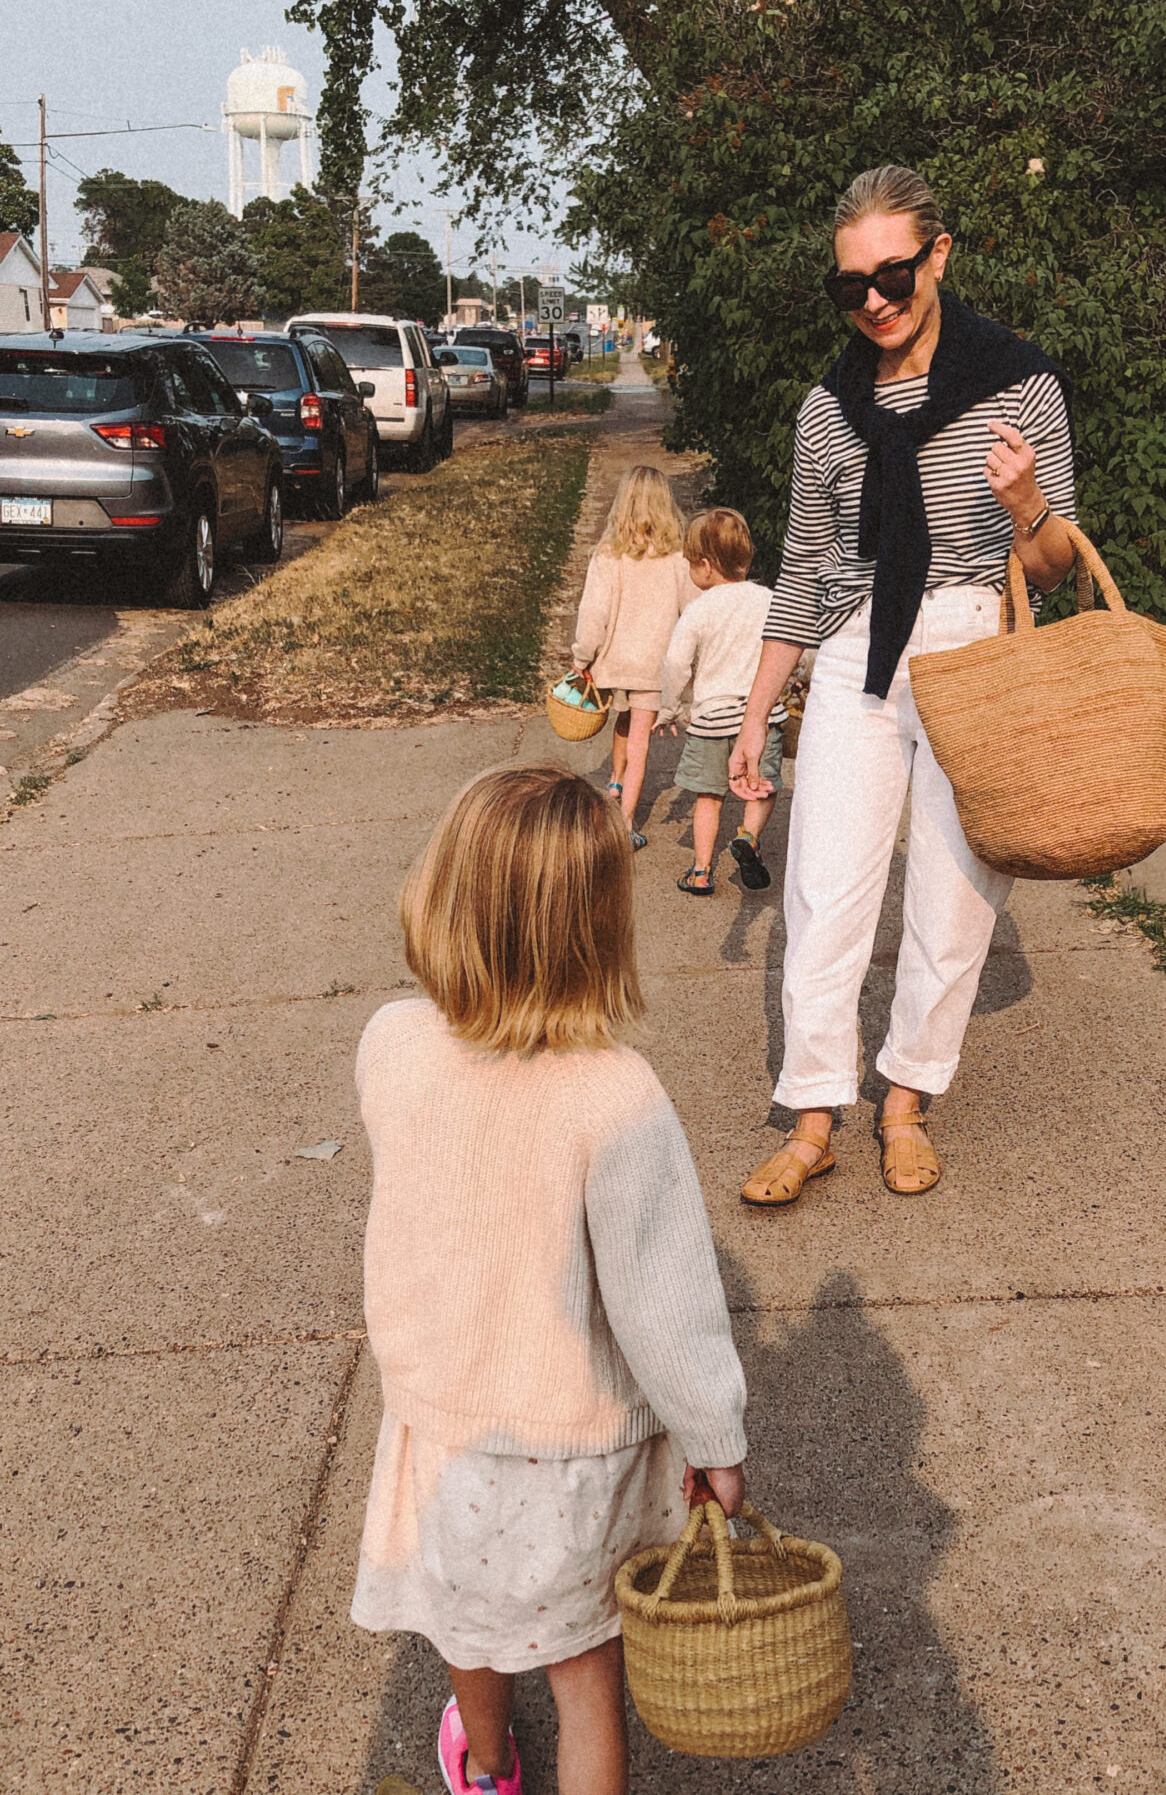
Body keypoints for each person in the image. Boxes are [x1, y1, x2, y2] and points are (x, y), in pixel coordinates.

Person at [350, 767, 748, 1795]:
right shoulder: (615, 1094)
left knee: (467, 1625)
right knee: (585, 1675)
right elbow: (667, 1305)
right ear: (600, 927)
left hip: (446, 1428)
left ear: (442, 893)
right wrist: (715, 1438)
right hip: (572, 1446)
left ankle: (485, 1763)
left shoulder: (391, 1043)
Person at [729, 165, 1076, 1206]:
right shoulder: (828, 410)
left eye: (892, 273)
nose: (873, 299)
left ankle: (907, 1100)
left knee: (953, 897)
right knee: (824, 888)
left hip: (976, 642)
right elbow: (800, 566)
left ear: (939, 255)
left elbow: (1057, 566)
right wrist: (756, 716)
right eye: (850, 285)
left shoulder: (1022, 384)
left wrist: (1025, 504)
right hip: (854, 653)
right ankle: (816, 1113)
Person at [657, 507, 790, 895]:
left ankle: (700, 871)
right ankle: (748, 838)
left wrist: (671, 706)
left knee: (708, 797)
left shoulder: (698, 610)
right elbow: (794, 645)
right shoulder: (768, 599)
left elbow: (676, 663)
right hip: (760, 716)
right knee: (762, 785)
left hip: (712, 718)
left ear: (704, 566)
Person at [572, 466, 697, 849]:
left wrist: (582, 655)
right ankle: (626, 822)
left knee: (623, 719)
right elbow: (691, 610)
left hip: (615, 661)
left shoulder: (608, 553)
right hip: (653, 665)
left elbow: (594, 611)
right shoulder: (678, 556)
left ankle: (614, 778)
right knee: (641, 737)